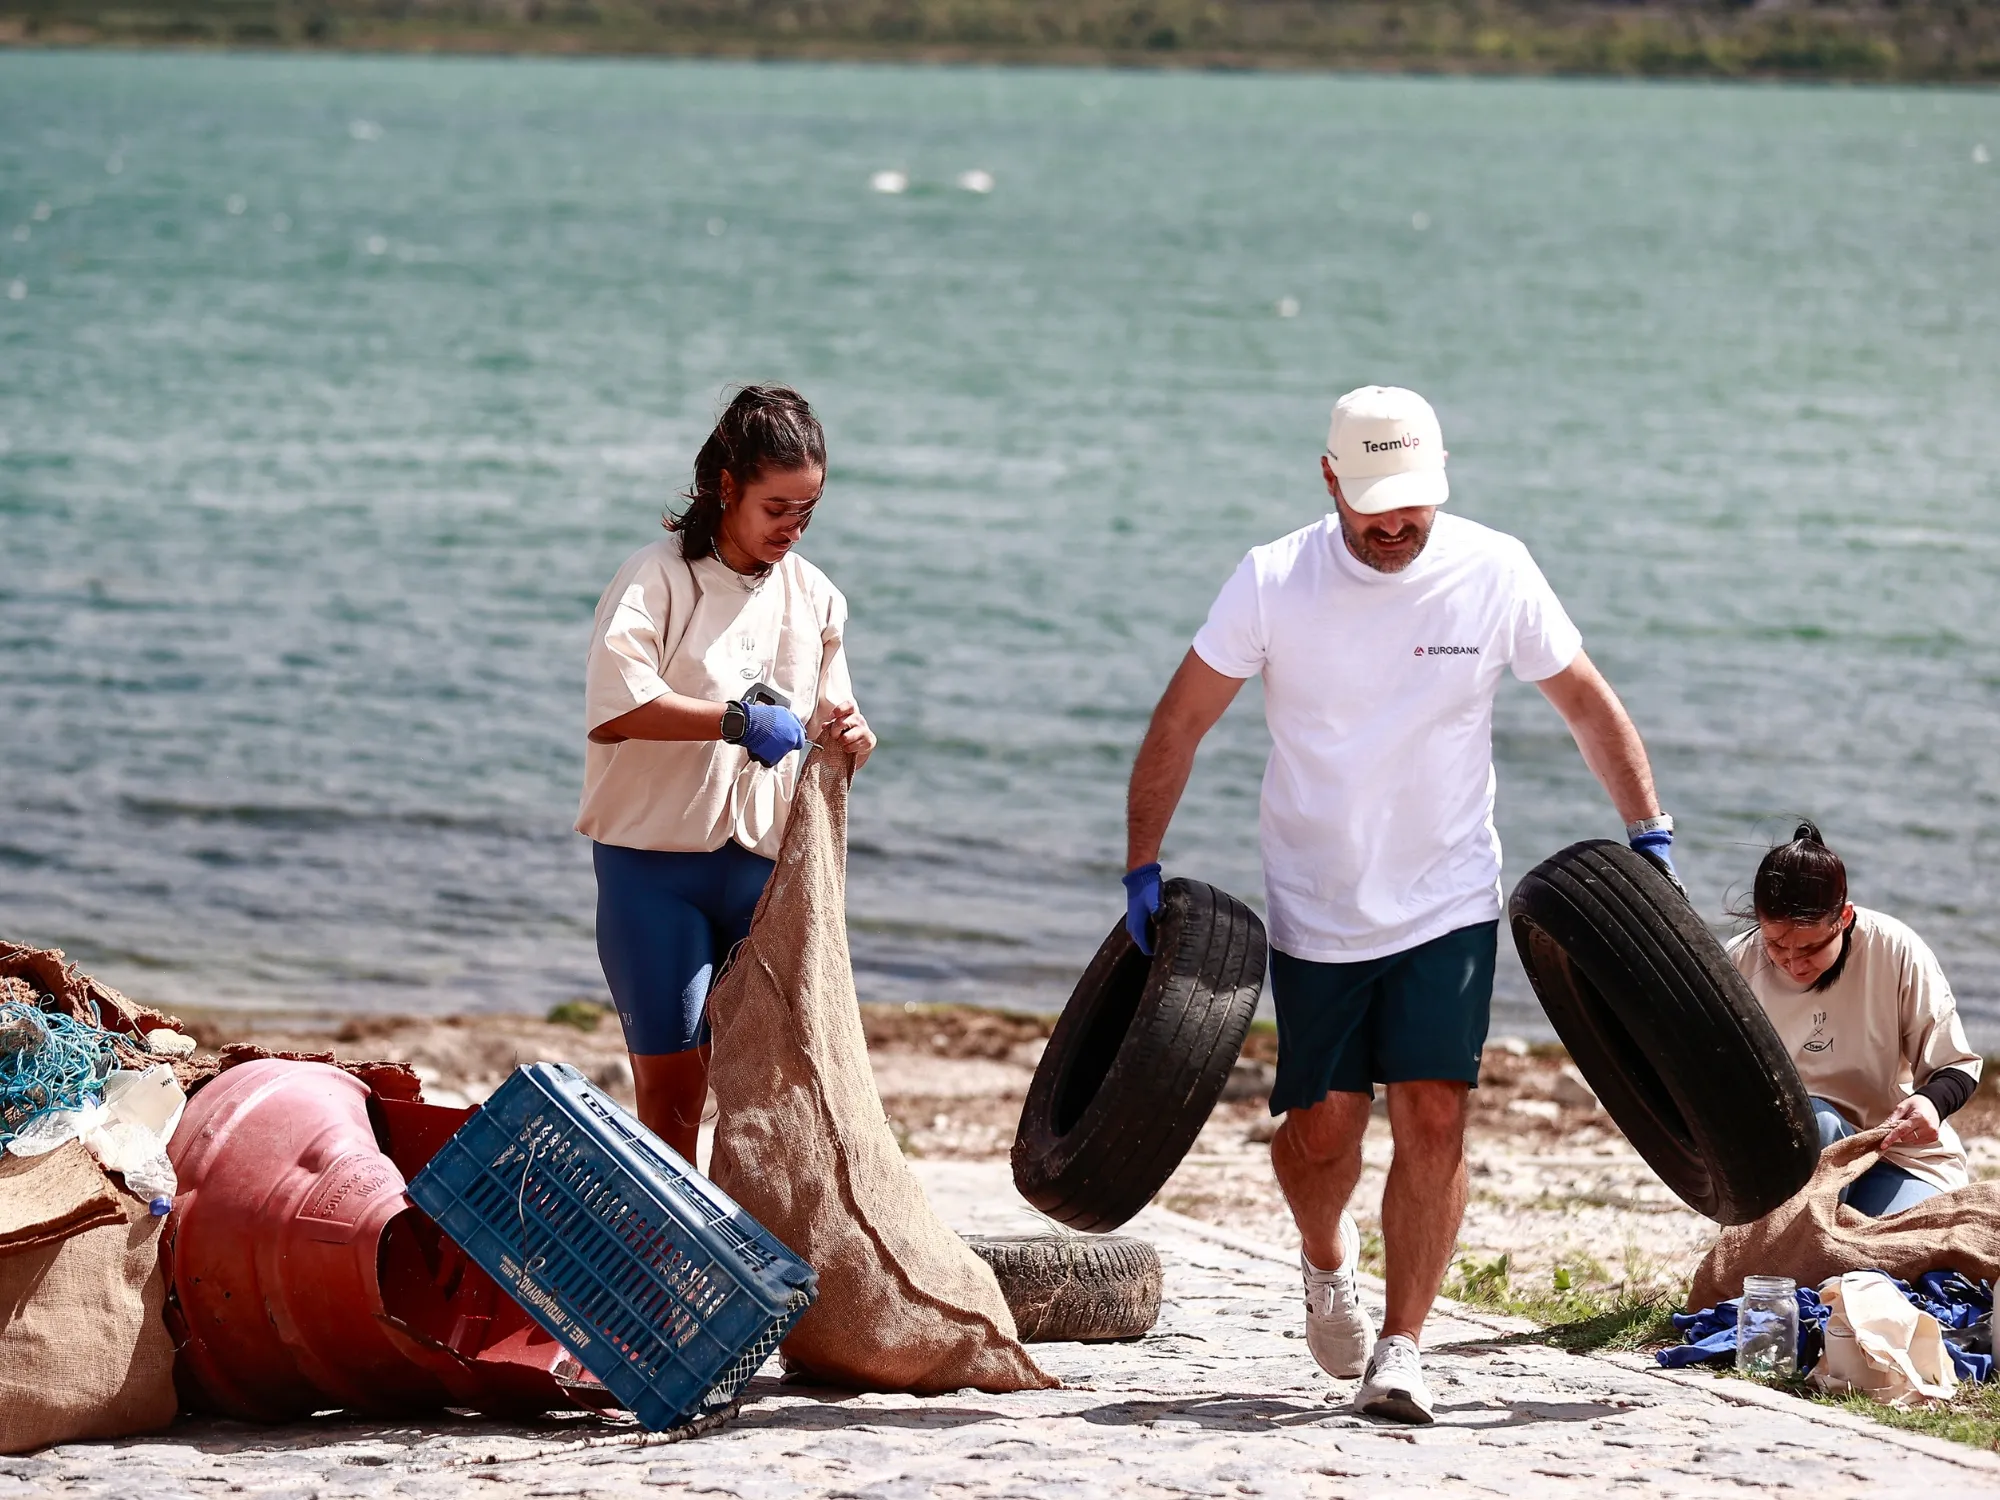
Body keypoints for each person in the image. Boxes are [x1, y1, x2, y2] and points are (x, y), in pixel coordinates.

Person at [1123, 385, 1673, 1424]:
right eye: (1371, 501)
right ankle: (1324, 1259)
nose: (1392, 523)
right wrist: (1140, 865)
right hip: (1315, 900)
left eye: (1410, 502)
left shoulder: (1494, 568)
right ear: (1328, 476)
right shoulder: (1272, 580)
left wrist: (1648, 830)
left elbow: (1585, 704)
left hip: (1448, 895)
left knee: (1434, 1112)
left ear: (1441, 477)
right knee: (1323, 1131)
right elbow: (1181, 719)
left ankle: (1402, 1345)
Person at [577, 385, 875, 1162]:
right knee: (674, 1099)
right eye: (778, 507)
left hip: (767, 880)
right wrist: (732, 720)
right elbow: (618, 708)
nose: (794, 527)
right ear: (726, 487)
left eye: (808, 510)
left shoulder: (818, 598)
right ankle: (663, 1267)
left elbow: (831, 722)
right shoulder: (655, 579)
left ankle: (743, 1263)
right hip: (654, 873)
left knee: (770, 1104)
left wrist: (851, 733)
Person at [1726, 822, 1980, 1217]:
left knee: (1889, 1255)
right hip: (1790, 1153)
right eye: (1776, 944)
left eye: (1810, 947)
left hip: (1895, 1152)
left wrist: (1930, 1104)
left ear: (1843, 917)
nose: (1793, 962)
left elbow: (1955, 1066)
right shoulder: (1739, 960)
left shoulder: (1895, 949)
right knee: (1814, 1120)